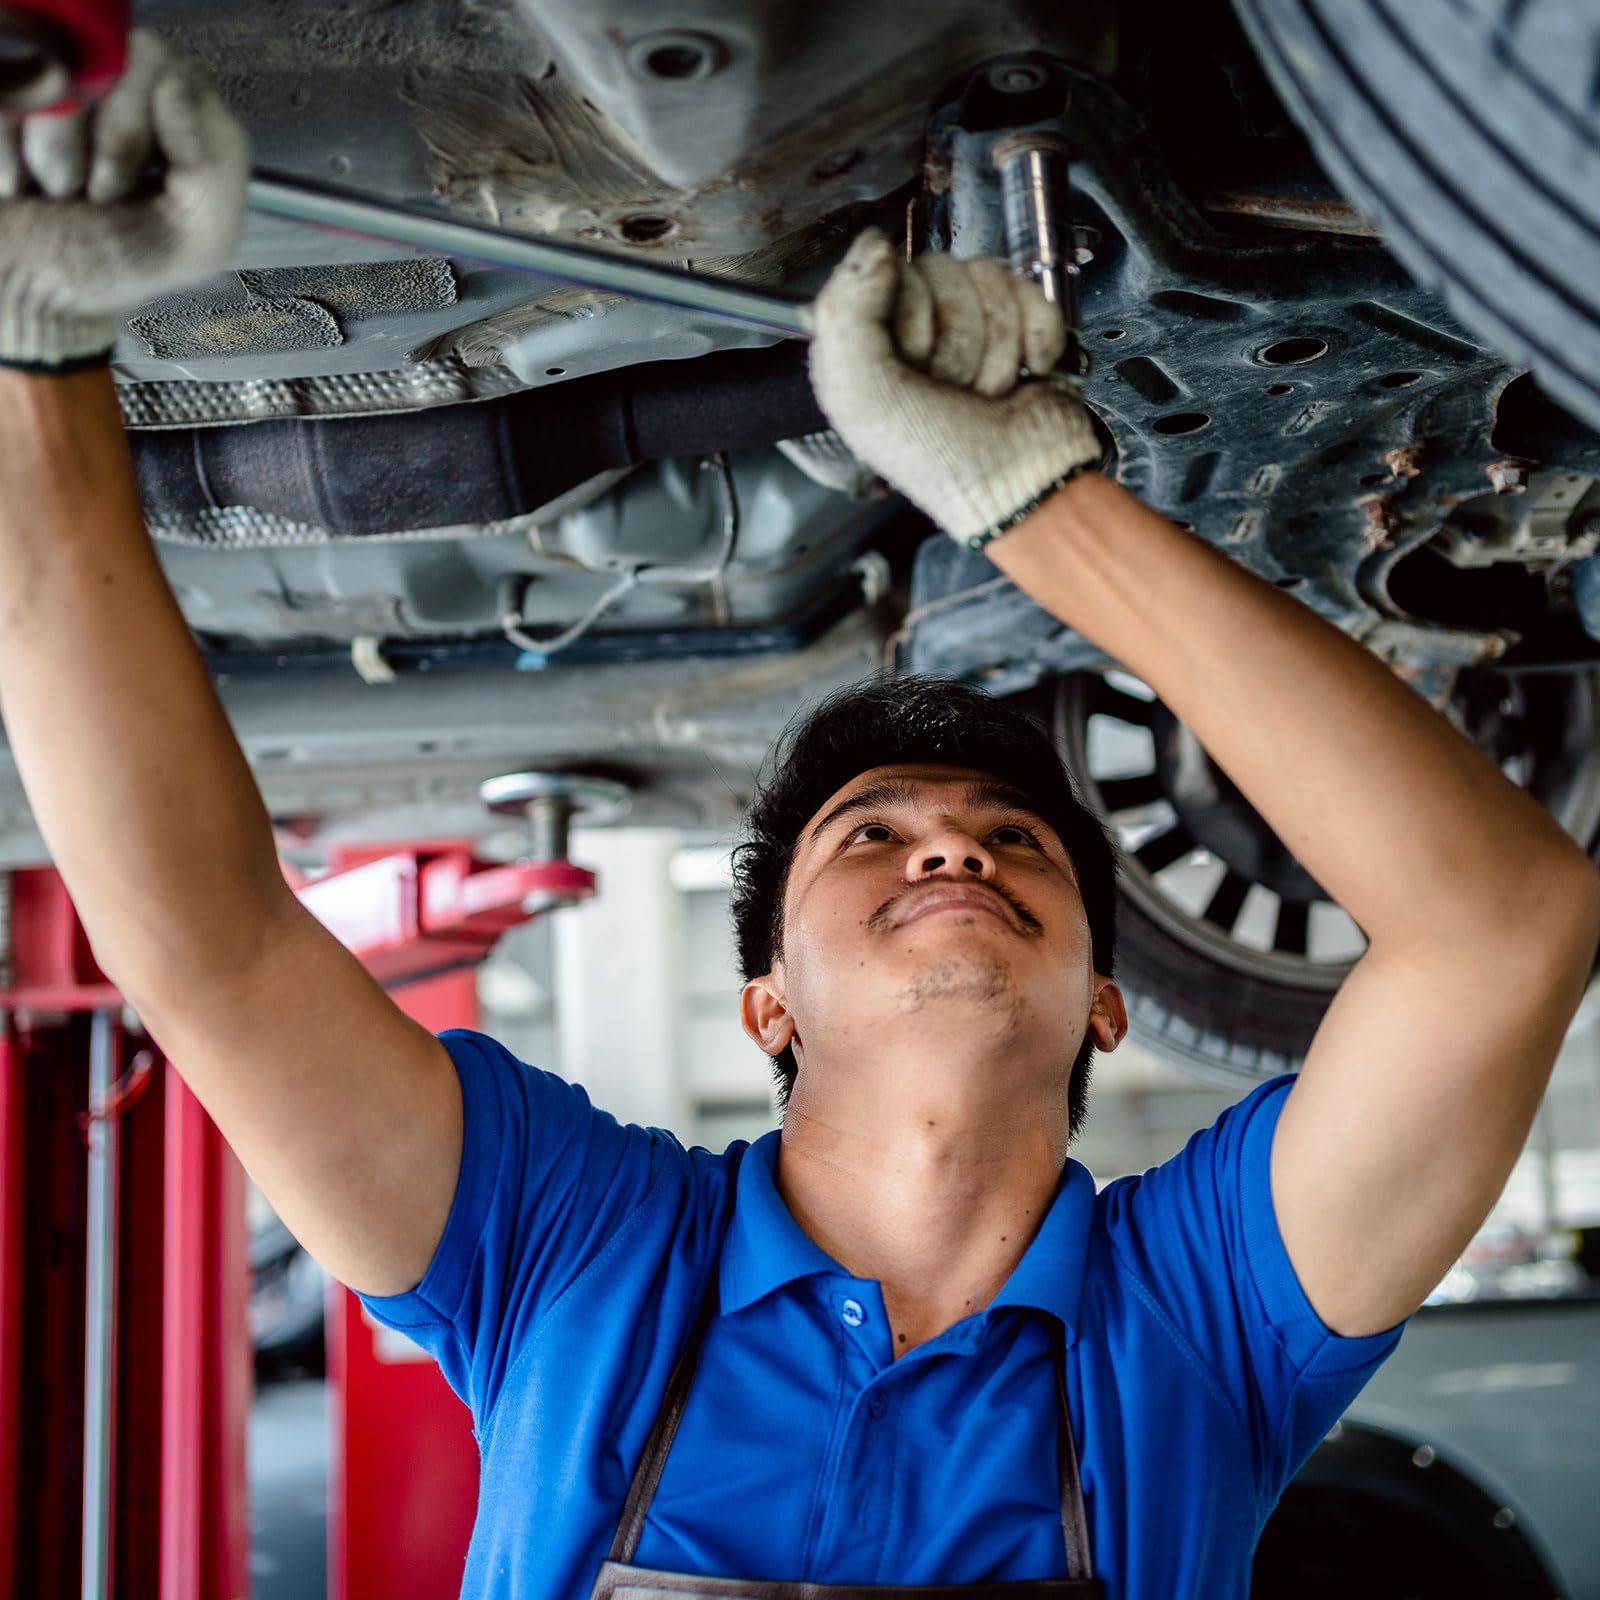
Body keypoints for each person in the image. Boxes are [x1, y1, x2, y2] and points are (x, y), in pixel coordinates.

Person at [1, 36, 1596, 1600]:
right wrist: (35, 339)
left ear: (1107, 1000)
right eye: (874, 841)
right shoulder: (579, 1243)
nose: (956, 849)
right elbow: (221, 947)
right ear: (767, 1002)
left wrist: (1043, 508)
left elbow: (207, 952)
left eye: (1018, 842)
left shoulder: (1198, 1313)